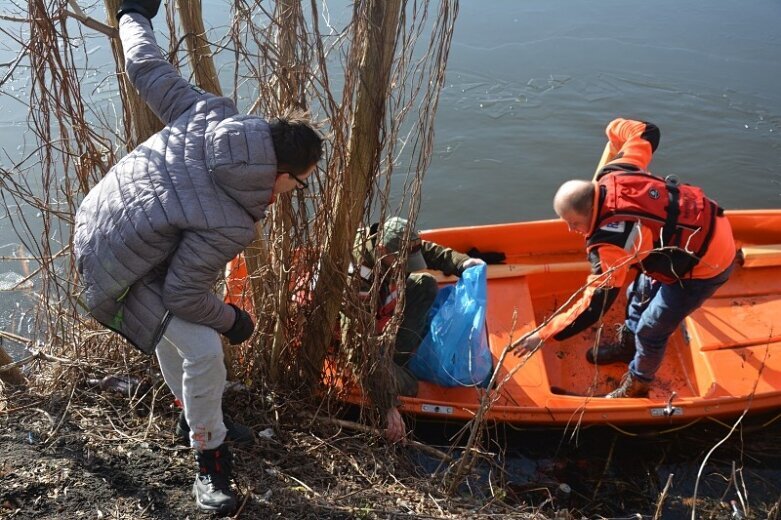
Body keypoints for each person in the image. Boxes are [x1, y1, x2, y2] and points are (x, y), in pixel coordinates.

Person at [73, 1, 323, 514]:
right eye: (297, 183)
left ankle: (191, 412)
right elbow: (182, 294)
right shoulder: (232, 218)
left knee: (175, 335)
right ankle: (211, 462)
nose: (291, 193)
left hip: (96, 225)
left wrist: (132, 13)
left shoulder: (211, 115)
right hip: (118, 272)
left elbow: (145, 67)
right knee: (206, 349)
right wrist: (234, 320)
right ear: (280, 168)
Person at [514, 118, 736, 398]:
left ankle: (638, 382)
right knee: (636, 291)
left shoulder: (610, 245)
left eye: (572, 223)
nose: (571, 230)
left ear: (586, 212)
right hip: (705, 228)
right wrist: (613, 129)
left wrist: (542, 335)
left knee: (651, 329)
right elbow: (646, 131)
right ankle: (627, 346)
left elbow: (595, 304)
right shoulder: (617, 171)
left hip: (705, 265)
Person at [351, 217, 486, 441]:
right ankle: (388, 366)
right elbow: (354, 350)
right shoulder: (358, 276)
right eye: (402, 261)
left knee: (424, 283)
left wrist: (462, 263)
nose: (406, 266)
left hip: (378, 312)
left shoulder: (388, 242)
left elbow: (427, 252)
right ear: (382, 249)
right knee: (411, 385)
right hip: (355, 340)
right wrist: (387, 406)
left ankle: (397, 355)